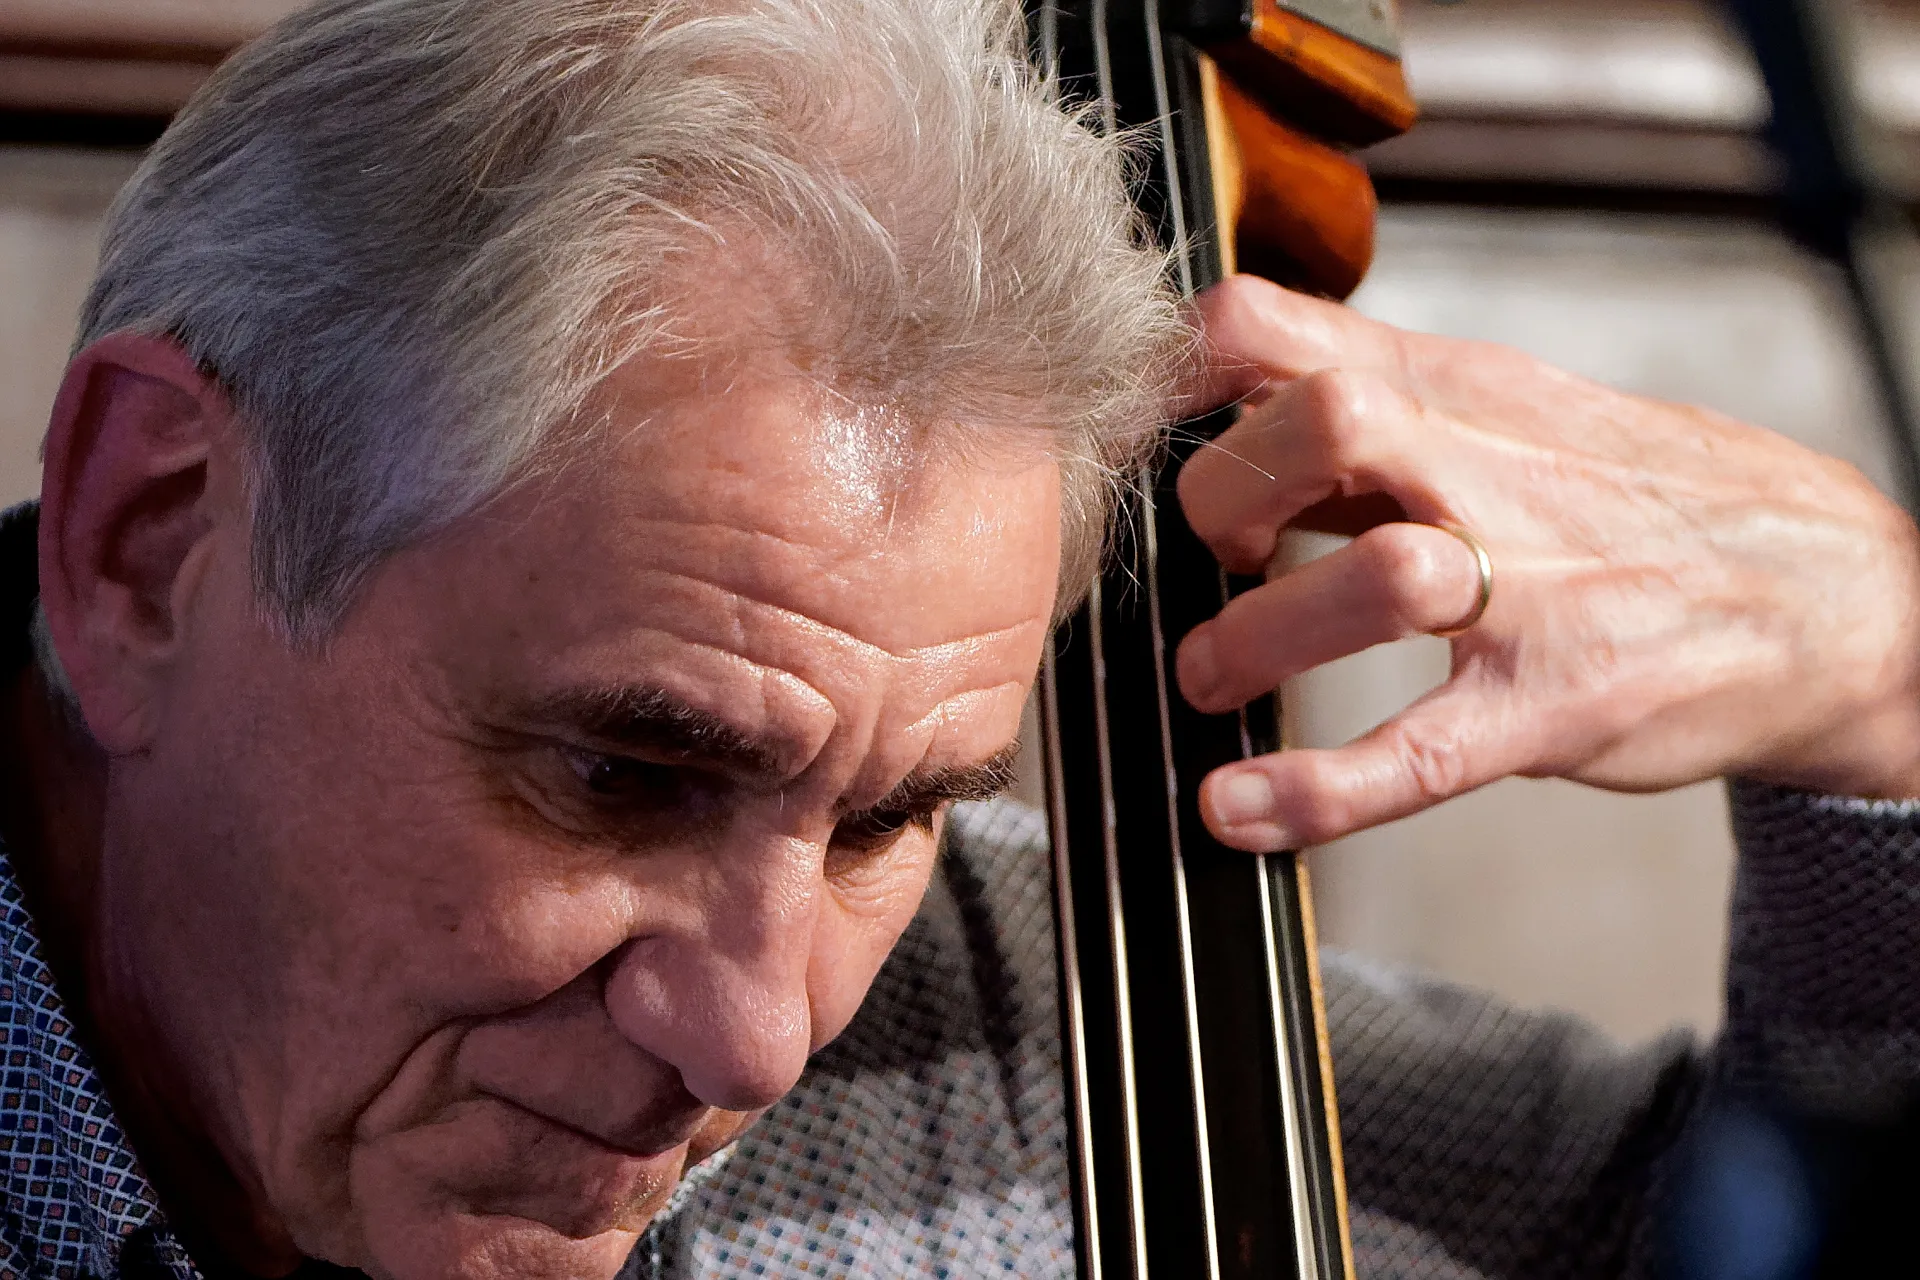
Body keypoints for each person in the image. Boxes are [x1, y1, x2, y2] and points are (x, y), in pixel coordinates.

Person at [4, 0, 1916, 1277]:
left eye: (885, 821)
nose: (762, 1040)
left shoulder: (1015, 1033)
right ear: (150, 539)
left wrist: (1888, 679)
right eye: (623, 774)